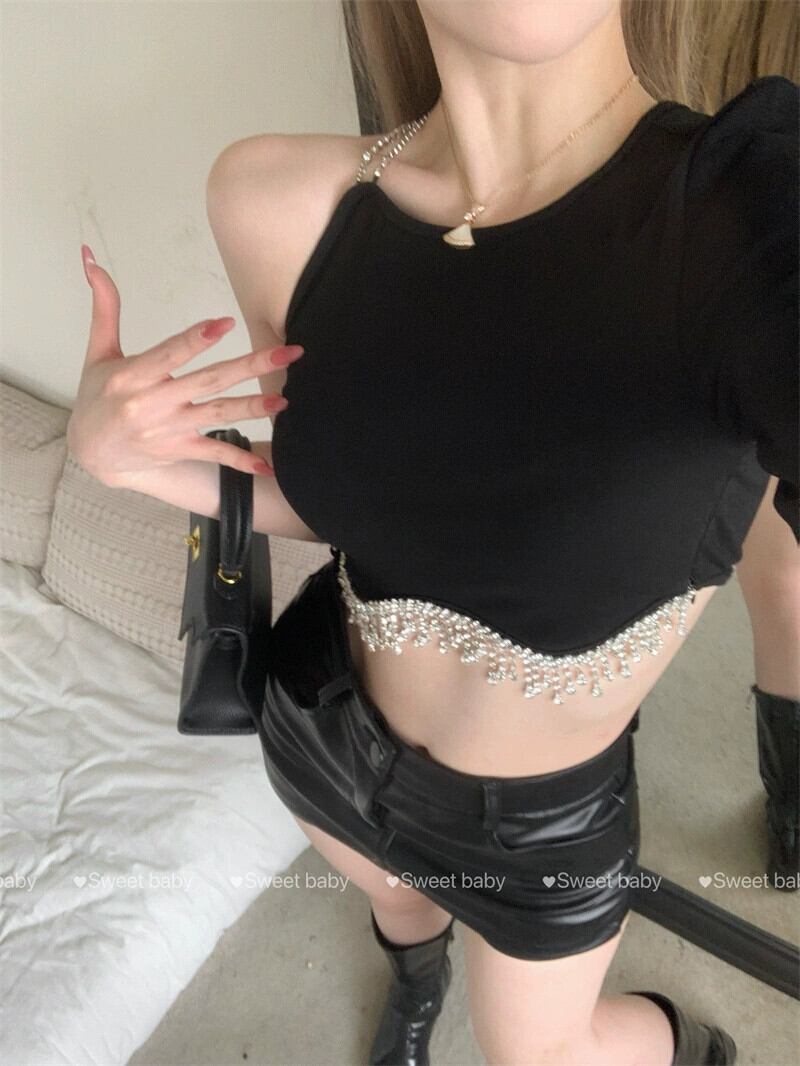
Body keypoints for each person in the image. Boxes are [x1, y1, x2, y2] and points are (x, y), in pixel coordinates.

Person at [68, 2, 798, 1063]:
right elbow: (349, 499)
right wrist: (127, 462)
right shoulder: (272, 199)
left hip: (539, 828)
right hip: (320, 725)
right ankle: (415, 981)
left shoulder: (742, 214)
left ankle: (688, 1047)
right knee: (400, 909)